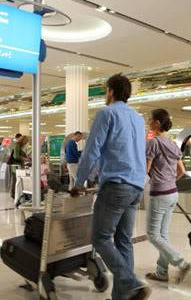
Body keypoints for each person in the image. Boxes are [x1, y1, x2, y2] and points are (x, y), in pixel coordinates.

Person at [72, 74, 150, 300]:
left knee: (100, 239)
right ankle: (122, 297)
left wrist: (78, 183)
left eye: (106, 90)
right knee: (124, 241)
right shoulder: (137, 117)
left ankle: (131, 281)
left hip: (117, 185)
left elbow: (92, 150)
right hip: (136, 186)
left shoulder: (107, 113)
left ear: (111, 91)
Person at [144, 108, 191, 284]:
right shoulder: (172, 143)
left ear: (157, 123)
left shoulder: (153, 143)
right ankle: (161, 272)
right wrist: (170, 180)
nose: (148, 122)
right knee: (162, 234)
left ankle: (181, 263)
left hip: (159, 194)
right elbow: (182, 171)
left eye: (149, 119)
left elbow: (146, 170)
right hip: (173, 193)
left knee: (152, 234)